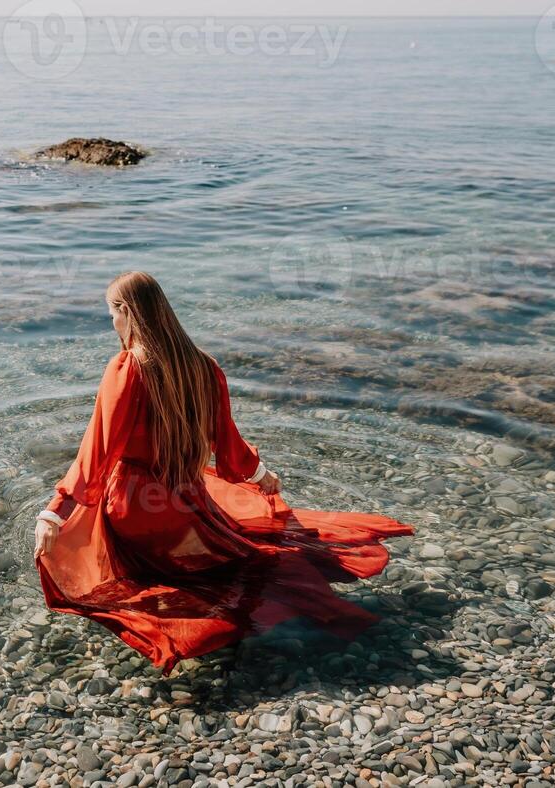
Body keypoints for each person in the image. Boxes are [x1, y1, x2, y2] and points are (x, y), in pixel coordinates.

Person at [34, 271, 415, 674]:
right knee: (237, 561)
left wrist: (55, 512)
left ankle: (202, 626)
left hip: (135, 512)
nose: (112, 323)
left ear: (126, 312)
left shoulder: (127, 367)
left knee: (121, 576)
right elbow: (229, 448)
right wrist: (261, 474)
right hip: (188, 508)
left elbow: (97, 453)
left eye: (111, 312)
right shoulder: (204, 365)